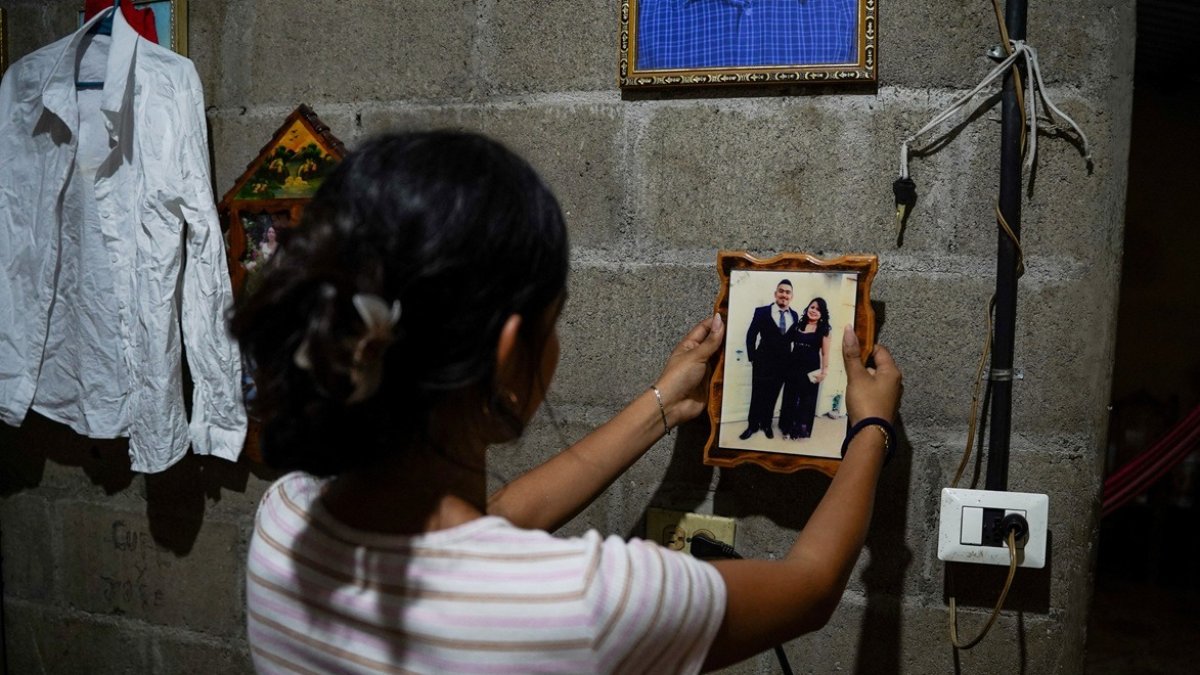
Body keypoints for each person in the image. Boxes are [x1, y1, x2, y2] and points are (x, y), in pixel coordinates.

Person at [232, 131, 902, 673]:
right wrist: (869, 423)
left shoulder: (284, 520)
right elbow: (811, 587)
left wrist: (662, 403)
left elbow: (491, 522)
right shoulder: (580, 602)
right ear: (508, 355)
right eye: (556, 321)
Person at [740, 280, 799, 440]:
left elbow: (793, 339)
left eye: (787, 292)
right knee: (757, 394)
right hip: (762, 363)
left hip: (783, 365)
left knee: (772, 396)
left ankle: (766, 424)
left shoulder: (794, 315)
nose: (784, 294)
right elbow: (751, 335)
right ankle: (752, 425)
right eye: (781, 291)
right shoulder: (761, 312)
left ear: (791, 296)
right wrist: (753, 357)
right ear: (775, 294)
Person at [780, 297, 833, 440]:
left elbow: (825, 353)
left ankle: (799, 430)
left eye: (818, 309)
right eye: (812, 307)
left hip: (810, 369)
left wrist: (824, 371)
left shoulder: (824, 330)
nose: (814, 311)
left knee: (805, 400)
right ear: (807, 308)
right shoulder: (798, 325)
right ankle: (787, 427)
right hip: (793, 366)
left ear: (822, 314)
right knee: (790, 397)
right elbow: (785, 341)